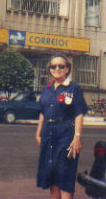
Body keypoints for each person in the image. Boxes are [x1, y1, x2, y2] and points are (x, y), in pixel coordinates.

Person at [36, 54, 87, 199]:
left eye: (61, 66)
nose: (57, 69)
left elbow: (79, 114)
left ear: (67, 69)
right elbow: (42, 113)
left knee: (65, 177)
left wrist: (77, 137)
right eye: (53, 66)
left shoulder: (73, 88)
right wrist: (38, 133)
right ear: (49, 69)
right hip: (48, 137)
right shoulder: (46, 89)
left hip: (66, 137)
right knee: (52, 176)